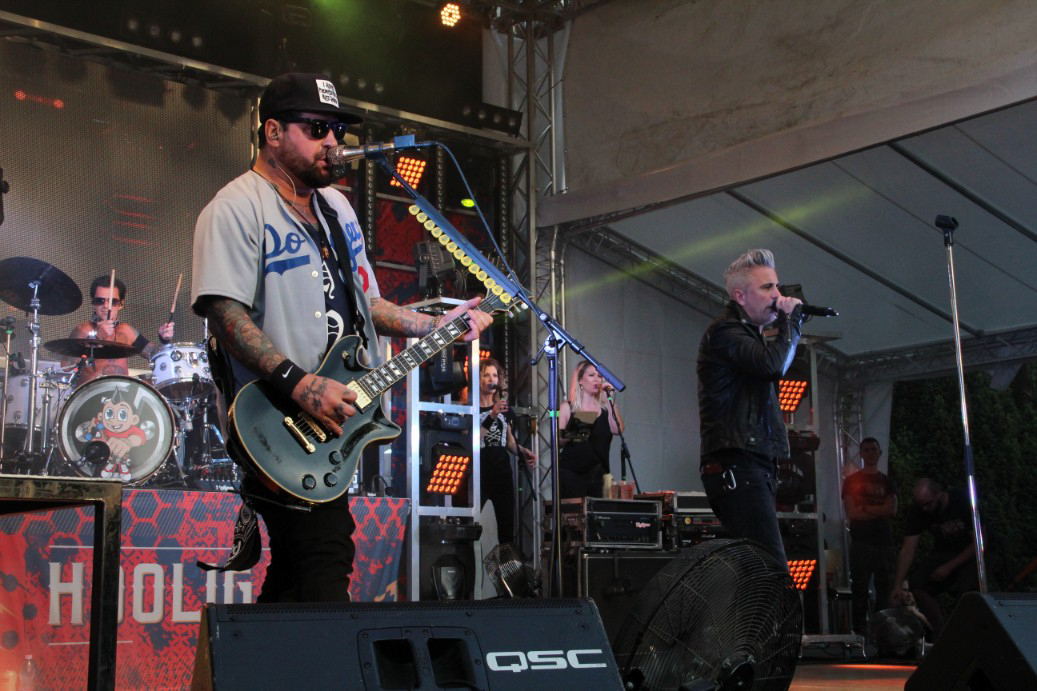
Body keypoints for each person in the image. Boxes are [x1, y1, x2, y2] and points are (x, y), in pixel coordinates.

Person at [190, 73, 491, 603]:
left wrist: (435, 326)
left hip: (328, 420)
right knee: (323, 557)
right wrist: (301, 385)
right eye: (318, 129)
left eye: (338, 131)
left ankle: (250, 653)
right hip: (274, 414)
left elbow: (367, 302)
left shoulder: (338, 209)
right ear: (273, 132)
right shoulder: (235, 207)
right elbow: (224, 313)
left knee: (302, 567)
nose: (334, 141)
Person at [697, 248, 802, 568]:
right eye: (767, 287)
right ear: (740, 296)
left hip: (752, 462)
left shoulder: (748, 334)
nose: (777, 295)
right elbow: (773, 366)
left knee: (755, 571)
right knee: (771, 570)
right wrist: (791, 322)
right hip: (738, 465)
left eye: (777, 286)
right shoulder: (725, 332)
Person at [889, 478, 978, 638]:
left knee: (966, 592)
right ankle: (942, 635)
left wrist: (949, 567)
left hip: (970, 552)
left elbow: (979, 543)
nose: (925, 509)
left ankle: (966, 637)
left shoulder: (961, 501)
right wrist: (897, 585)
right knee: (918, 584)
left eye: (928, 504)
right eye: (921, 505)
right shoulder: (918, 510)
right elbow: (908, 549)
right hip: (945, 550)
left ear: (939, 494)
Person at [67, 276, 175, 386]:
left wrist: (164, 339)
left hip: (121, 393)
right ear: (93, 303)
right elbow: (66, 366)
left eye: (112, 301)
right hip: (91, 392)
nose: (106, 306)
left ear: (121, 304)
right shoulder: (83, 329)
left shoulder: (126, 331)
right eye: (100, 301)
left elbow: (155, 355)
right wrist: (96, 338)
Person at [841, 437, 897, 635]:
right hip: (861, 542)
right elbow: (852, 512)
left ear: (879, 453)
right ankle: (859, 631)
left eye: (874, 449)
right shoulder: (851, 482)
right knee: (860, 589)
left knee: (884, 591)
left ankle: (882, 631)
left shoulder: (887, 481)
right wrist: (879, 510)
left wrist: (865, 507)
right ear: (861, 454)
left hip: (884, 542)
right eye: (867, 450)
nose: (871, 453)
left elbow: (892, 510)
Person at [478, 358, 535, 546]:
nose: (491, 379)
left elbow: (508, 441)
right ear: (478, 379)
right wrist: (492, 415)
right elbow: (474, 440)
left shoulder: (504, 409)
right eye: (486, 375)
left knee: (506, 531)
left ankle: (505, 565)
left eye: (494, 375)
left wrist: (523, 452)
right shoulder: (471, 408)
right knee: (469, 525)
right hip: (480, 474)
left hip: (502, 474)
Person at [556, 360, 623, 499]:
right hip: (572, 474)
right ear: (580, 380)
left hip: (599, 475)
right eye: (591, 375)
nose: (597, 379)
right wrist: (579, 426)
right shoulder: (568, 407)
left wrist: (609, 401)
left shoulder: (605, 409)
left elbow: (618, 429)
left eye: (599, 376)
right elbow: (557, 441)